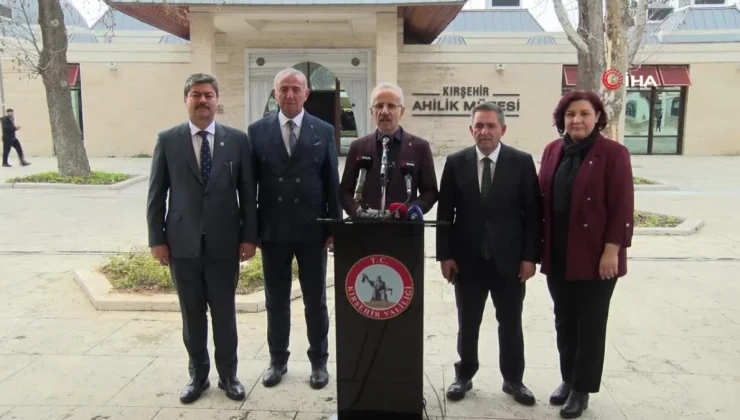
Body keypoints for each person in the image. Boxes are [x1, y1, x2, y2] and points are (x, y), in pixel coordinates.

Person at [146, 73, 258, 404]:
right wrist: (157, 240)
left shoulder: (237, 141)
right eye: (196, 95)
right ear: (186, 100)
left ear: (216, 100)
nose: (203, 101)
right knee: (191, 314)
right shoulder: (168, 140)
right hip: (182, 244)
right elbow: (156, 195)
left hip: (225, 243)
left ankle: (229, 375)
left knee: (224, 314)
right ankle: (198, 375)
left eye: (208, 95)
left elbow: (248, 194)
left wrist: (249, 237)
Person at [436, 102, 542, 405]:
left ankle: (513, 379)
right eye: (479, 126)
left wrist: (530, 257)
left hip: (509, 261)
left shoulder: (521, 162)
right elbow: (445, 215)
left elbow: (532, 215)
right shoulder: (455, 163)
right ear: (471, 129)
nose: (485, 131)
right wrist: (445, 255)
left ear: (502, 130)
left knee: (511, 323)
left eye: (491, 126)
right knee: (467, 322)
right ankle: (464, 375)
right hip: (466, 261)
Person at [538, 90, 634, 419]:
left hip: (597, 257)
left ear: (597, 118)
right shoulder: (552, 151)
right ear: (561, 119)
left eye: (584, 114)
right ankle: (568, 379)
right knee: (564, 320)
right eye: (570, 114)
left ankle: (582, 390)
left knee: (590, 325)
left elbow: (622, 206)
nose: (576, 120)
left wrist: (612, 250)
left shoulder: (613, 154)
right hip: (558, 253)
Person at [247, 67, 341, 390]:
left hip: (313, 230)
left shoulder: (323, 130)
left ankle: (319, 361)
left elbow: (331, 181)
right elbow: (250, 186)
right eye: (283, 89)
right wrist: (251, 231)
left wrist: (334, 227)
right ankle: (278, 360)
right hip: (273, 231)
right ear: (274, 94)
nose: (289, 94)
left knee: (315, 300)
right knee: (276, 300)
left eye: (295, 89)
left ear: (306, 94)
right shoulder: (257, 131)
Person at [339, 82, 438, 216]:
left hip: (405, 226)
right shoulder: (358, 147)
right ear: (371, 111)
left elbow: (430, 192)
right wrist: (358, 211)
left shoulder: (420, 147)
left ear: (402, 111)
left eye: (391, 106)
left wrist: (411, 211)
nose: (384, 111)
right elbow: (344, 191)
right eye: (379, 106)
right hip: (366, 226)